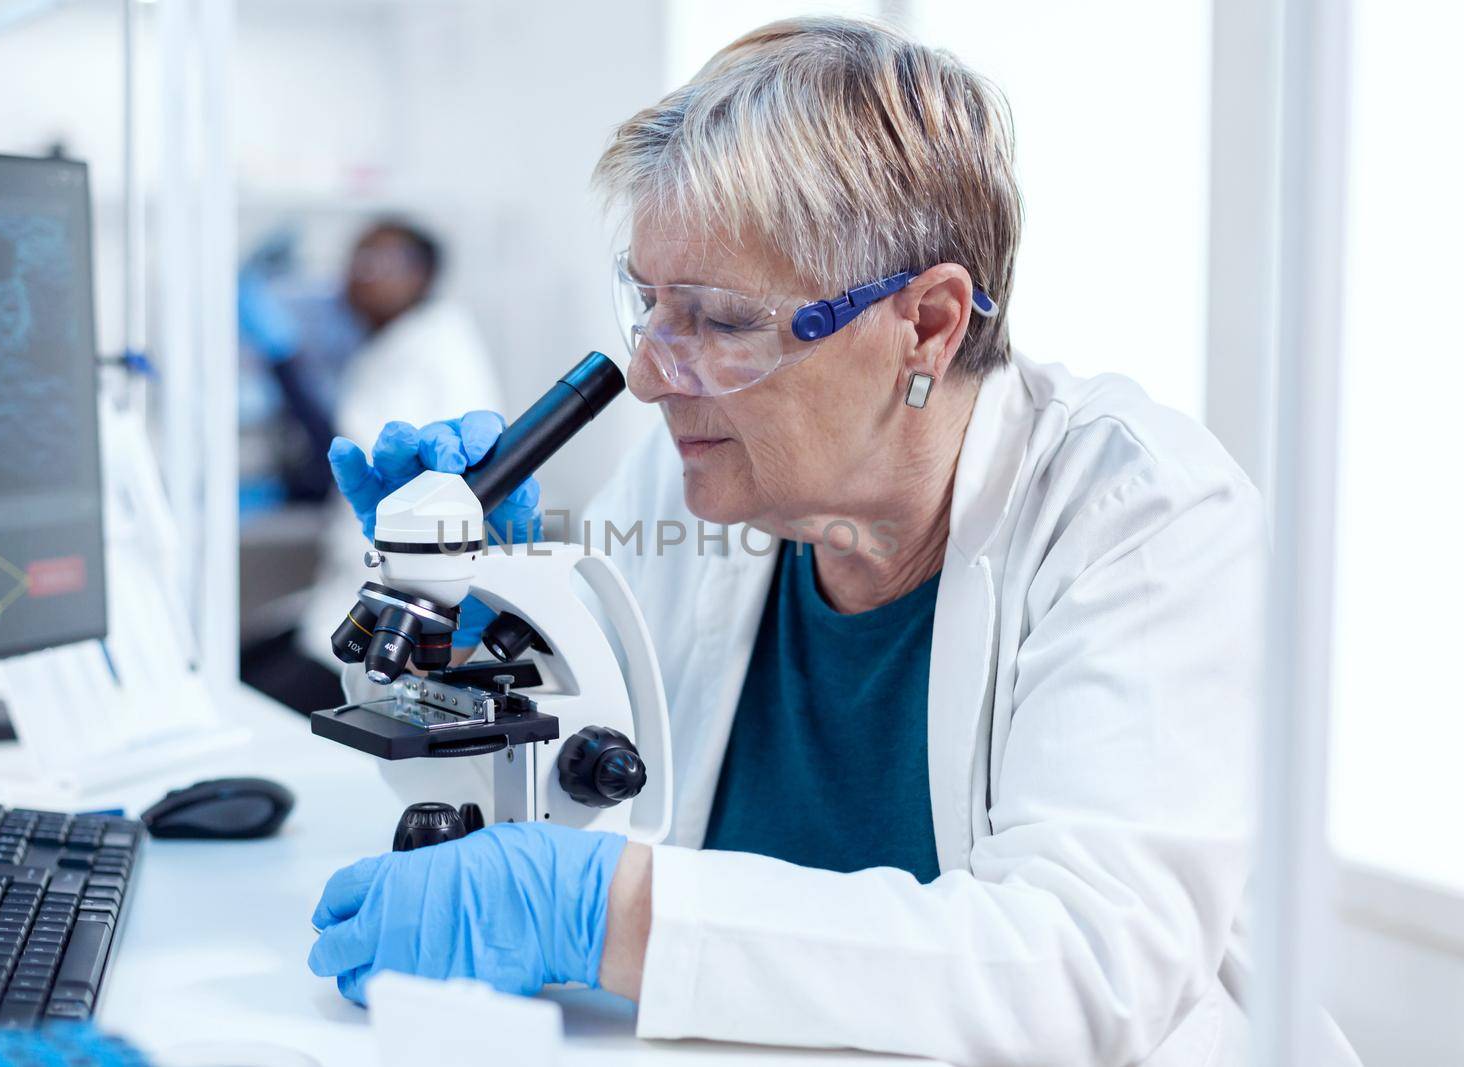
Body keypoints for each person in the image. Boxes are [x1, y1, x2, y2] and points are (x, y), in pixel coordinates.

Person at [305, 17, 1361, 1066]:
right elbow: (587, 796)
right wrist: (514, 614)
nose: (651, 372)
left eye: (720, 321)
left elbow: (1082, 969)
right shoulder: (688, 487)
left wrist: (603, 914)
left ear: (928, 322)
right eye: (649, 302)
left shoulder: (1139, 512)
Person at [240, 221, 500, 712]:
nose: (357, 276)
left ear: (422, 276)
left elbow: (333, 459)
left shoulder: (426, 354)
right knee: (245, 671)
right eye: (355, 260)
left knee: (262, 701)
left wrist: (284, 359)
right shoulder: (402, 343)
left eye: (378, 264)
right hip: (358, 588)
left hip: (395, 604)